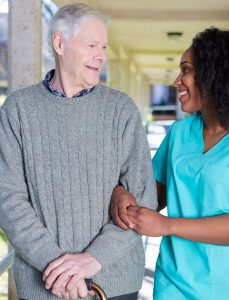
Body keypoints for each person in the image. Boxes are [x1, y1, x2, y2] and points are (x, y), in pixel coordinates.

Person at [111, 28, 229, 300]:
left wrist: (167, 226)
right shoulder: (180, 134)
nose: (176, 81)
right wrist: (121, 193)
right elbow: (150, 197)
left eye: (186, 70)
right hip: (174, 285)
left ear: (217, 75)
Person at [0, 3, 156, 300]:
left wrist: (92, 260)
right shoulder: (17, 110)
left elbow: (144, 196)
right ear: (60, 43)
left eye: (104, 47)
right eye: (91, 45)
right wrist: (56, 265)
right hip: (42, 284)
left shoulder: (121, 110)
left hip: (114, 285)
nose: (102, 55)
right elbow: (7, 199)